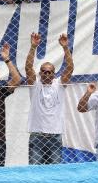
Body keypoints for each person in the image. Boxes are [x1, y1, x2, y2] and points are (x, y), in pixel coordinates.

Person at [25, 32, 73, 165]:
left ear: (54, 74)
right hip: (37, 136)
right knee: (34, 173)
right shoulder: (35, 85)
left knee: (55, 173)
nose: (46, 73)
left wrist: (65, 48)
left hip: (55, 136)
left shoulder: (59, 85)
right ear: (40, 73)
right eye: (43, 71)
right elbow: (28, 68)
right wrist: (33, 47)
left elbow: (70, 68)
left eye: (49, 71)